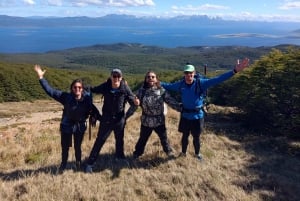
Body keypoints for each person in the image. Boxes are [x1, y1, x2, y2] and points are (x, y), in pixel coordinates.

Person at [161, 58, 250, 161]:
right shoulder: (181, 84)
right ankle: (183, 153)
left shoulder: (201, 83)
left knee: (196, 137)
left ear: (194, 73)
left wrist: (234, 71)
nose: (188, 75)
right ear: (184, 74)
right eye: (186, 73)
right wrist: (155, 81)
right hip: (185, 115)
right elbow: (167, 86)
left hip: (197, 116)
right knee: (185, 136)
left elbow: (218, 79)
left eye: (190, 73)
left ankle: (197, 154)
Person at [34, 65, 100, 172]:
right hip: (67, 125)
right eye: (75, 87)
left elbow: (93, 110)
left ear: (82, 89)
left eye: (79, 87)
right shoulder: (66, 97)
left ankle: (78, 163)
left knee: (78, 147)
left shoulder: (87, 99)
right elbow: (50, 91)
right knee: (65, 147)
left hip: (80, 127)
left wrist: (102, 119)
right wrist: (41, 78)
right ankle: (63, 165)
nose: (77, 89)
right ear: (72, 89)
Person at [85, 68, 139, 173]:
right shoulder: (105, 86)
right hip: (106, 120)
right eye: (114, 76)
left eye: (118, 76)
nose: (116, 78)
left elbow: (132, 99)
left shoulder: (125, 88)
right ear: (111, 77)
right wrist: (83, 87)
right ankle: (90, 163)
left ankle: (120, 156)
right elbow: (94, 89)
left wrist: (135, 102)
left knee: (119, 140)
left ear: (121, 78)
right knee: (100, 140)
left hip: (119, 120)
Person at [126, 71, 181, 159]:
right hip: (146, 122)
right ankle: (137, 154)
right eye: (148, 77)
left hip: (159, 121)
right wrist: (126, 117)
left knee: (164, 139)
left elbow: (170, 101)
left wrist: (182, 109)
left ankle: (169, 152)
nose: (150, 78)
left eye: (153, 77)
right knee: (142, 139)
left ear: (156, 79)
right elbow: (135, 106)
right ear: (146, 79)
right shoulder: (142, 91)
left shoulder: (161, 90)